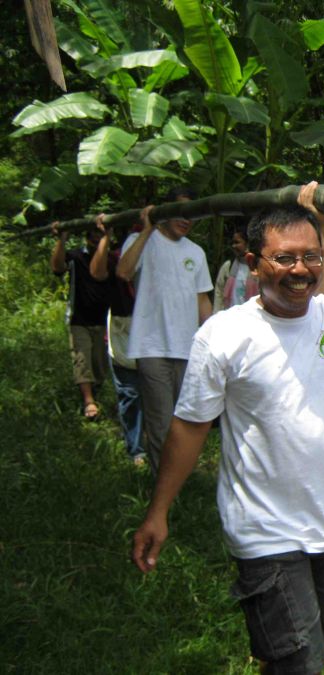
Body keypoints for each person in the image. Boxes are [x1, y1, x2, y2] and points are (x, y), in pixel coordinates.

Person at [131, 184, 324, 675]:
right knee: (300, 661)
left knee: (303, 650)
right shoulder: (225, 335)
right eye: (284, 258)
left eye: (311, 257)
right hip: (265, 532)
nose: (301, 270)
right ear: (255, 264)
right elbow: (189, 430)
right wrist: (159, 511)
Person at [116, 187, 213, 473]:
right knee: (160, 420)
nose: (186, 219)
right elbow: (123, 272)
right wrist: (147, 229)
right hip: (152, 346)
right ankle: (163, 483)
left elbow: (202, 301)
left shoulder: (196, 252)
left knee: (183, 419)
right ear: (165, 211)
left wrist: (216, 337)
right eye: (179, 212)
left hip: (187, 348)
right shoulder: (141, 241)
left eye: (191, 214)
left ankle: (180, 476)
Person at [89, 216, 146, 465]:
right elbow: (98, 272)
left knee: (153, 394)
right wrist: (105, 237)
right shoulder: (116, 258)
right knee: (130, 393)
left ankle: (153, 444)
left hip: (153, 332)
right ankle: (136, 448)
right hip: (123, 329)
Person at [50, 220, 111, 420]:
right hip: (80, 318)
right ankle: (88, 401)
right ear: (86, 236)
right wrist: (62, 239)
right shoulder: (76, 256)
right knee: (82, 358)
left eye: (99, 234)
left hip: (104, 320)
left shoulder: (111, 257)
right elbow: (58, 267)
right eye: (93, 233)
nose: (96, 237)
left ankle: (97, 392)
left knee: (99, 362)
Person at [213, 227, 257, 312]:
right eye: (233, 243)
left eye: (237, 242)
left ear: (247, 244)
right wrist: (216, 313)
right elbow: (219, 292)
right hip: (229, 318)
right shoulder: (228, 266)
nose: (234, 246)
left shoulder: (257, 268)